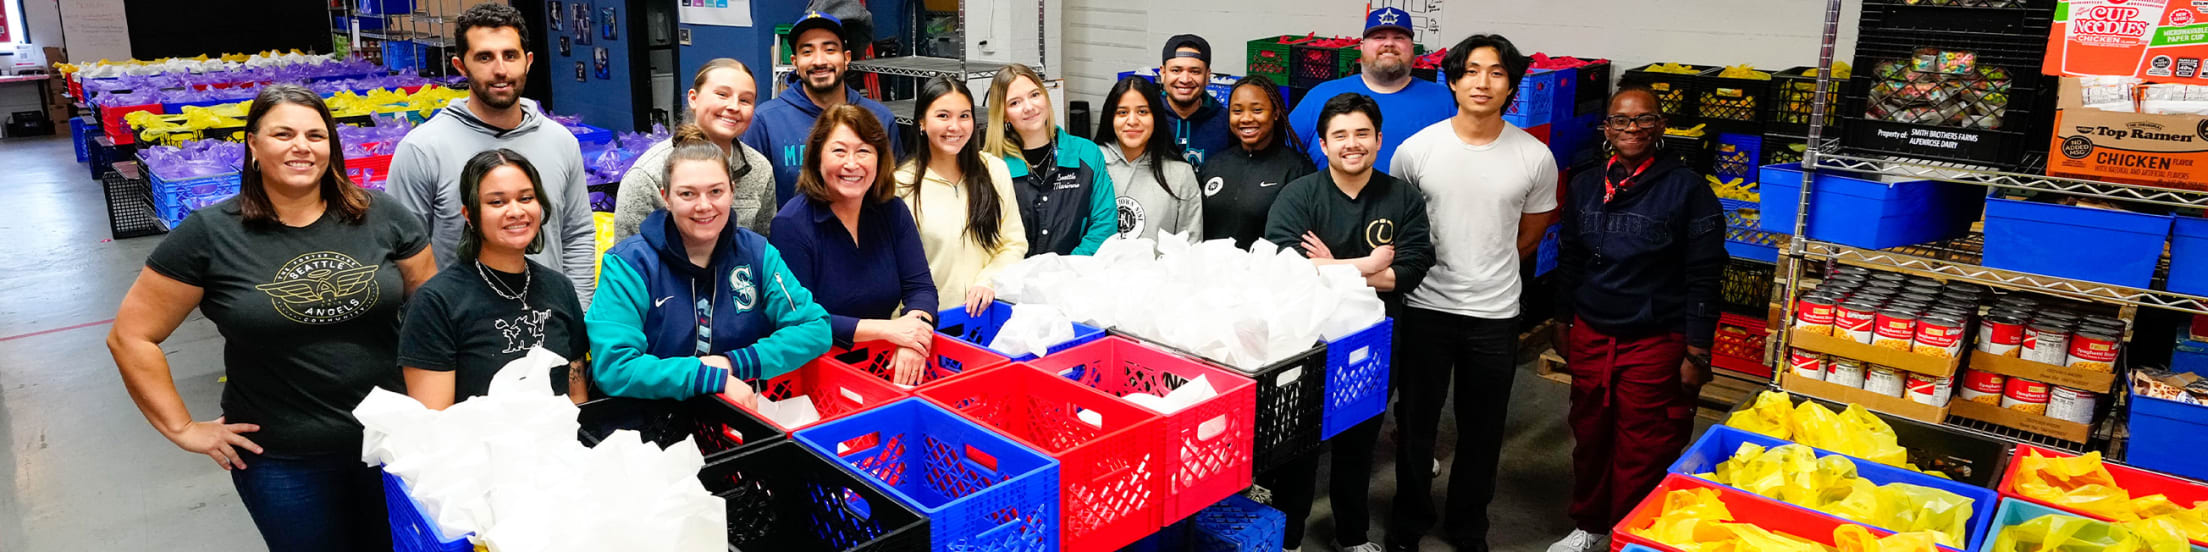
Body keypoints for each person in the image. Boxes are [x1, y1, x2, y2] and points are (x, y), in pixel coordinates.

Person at [107, 84, 437, 550]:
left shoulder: (382, 215)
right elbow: (131, 337)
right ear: (253, 144)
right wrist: (183, 428)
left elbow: (429, 307)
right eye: (283, 133)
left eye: (316, 136)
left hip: (393, 444)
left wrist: (434, 410)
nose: (302, 146)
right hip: (282, 460)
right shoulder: (211, 233)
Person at [1386, 34, 1558, 552]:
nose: (1483, 82)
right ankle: (1408, 521)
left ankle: (1468, 526)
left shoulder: (1534, 156)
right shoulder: (1418, 149)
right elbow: (1401, 228)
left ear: (1511, 86)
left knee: (1483, 430)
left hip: (1495, 314)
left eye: (1497, 72)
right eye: (1472, 71)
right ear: (1453, 80)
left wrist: (1489, 269)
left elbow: (1531, 233)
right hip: (1425, 308)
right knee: (1415, 425)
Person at [1544, 84, 1723, 552]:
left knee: (1645, 446)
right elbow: (1570, 258)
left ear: (1661, 126)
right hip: (1593, 333)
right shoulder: (1586, 182)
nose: (1632, 129)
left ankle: (1635, 538)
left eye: (1644, 119)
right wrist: (1561, 321)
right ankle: (1590, 524)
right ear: (1606, 128)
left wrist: (1697, 349)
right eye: (1621, 120)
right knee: (1590, 435)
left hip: (1655, 338)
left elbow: (1705, 274)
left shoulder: (1687, 189)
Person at [1262, 92, 1434, 552]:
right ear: (1322, 142)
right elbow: (1285, 268)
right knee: (1296, 451)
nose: (1351, 144)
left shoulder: (1402, 197)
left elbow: (1411, 270)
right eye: (1340, 135)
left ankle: (1353, 536)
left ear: (1379, 141)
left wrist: (1331, 266)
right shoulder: (1300, 195)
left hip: (1375, 344)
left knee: (1360, 444)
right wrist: (1367, 264)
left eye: (1362, 134)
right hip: (1305, 343)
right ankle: (1289, 539)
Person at [587, 124, 834, 406]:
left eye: (715, 191)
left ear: (732, 191)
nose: (704, 206)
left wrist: (735, 363)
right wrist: (708, 377)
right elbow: (614, 366)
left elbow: (814, 327)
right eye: (687, 194)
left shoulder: (756, 254)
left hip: (736, 415)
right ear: (666, 198)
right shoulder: (629, 266)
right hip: (648, 422)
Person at [388, 2, 595, 306]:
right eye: (484, 57)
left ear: (528, 61)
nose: (500, 69)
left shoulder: (560, 142)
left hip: (548, 328)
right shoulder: (422, 149)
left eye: (510, 55)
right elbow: (403, 253)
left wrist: (577, 314)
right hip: (462, 334)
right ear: (461, 66)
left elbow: (576, 234)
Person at [400, 150, 592, 409]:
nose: (516, 211)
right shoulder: (436, 302)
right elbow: (433, 423)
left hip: (556, 444)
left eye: (526, 198)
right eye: (497, 202)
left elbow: (576, 397)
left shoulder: (559, 287)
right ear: (469, 216)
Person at [770, 105, 938, 384]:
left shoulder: (891, 210)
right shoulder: (791, 224)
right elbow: (800, 319)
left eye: (863, 151)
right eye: (839, 151)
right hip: (818, 374)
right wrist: (890, 330)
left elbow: (920, 287)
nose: (852, 163)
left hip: (883, 363)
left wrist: (915, 334)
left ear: (879, 159)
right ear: (817, 157)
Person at [895, 76, 1029, 314]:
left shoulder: (994, 170)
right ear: (922, 123)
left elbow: (1013, 242)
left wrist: (988, 280)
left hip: (985, 314)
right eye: (943, 116)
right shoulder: (901, 184)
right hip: (926, 322)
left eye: (964, 116)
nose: (955, 127)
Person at [743, 10, 902, 206]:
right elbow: (753, 204)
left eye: (829, 50)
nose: (819, 61)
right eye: (807, 52)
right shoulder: (765, 122)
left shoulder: (879, 118)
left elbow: (891, 192)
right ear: (795, 62)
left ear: (847, 58)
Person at [613, 58, 778, 242]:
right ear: (693, 98)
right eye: (722, 94)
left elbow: (763, 246)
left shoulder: (759, 168)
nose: (733, 106)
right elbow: (628, 259)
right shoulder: (648, 175)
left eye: (745, 100)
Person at [1286, 6, 1456, 171]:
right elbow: (1281, 156)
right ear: (1361, 47)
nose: (1389, 43)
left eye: (1399, 38)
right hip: (1329, 199)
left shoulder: (1446, 100)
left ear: (1412, 48)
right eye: (1379, 37)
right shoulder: (1320, 96)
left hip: (1416, 199)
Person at [982, 63, 1116, 257]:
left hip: (1077, 278)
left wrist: (1066, 271)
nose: (1029, 107)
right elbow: (988, 238)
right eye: (1015, 103)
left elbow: (1104, 224)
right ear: (1003, 115)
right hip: (1015, 281)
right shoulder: (992, 166)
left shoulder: (1087, 153)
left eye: (1035, 95)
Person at [1198, 76, 1312, 249]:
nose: (1246, 118)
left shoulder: (1298, 171)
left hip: (1266, 273)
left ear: (1275, 113)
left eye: (1257, 110)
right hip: (1212, 272)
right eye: (1237, 111)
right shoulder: (1213, 165)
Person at [1095, 76, 1203, 242]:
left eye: (1142, 112)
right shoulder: (1092, 163)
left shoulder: (1181, 174)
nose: (1132, 121)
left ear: (1156, 117)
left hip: (1160, 268)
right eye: (1122, 112)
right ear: (1110, 117)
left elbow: (1190, 246)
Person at [1157, 34, 1232, 166]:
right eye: (1176, 70)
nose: (1185, 79)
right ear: (1163, 73)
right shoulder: (1148, 117)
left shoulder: (1226, 122)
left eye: (1195, 71)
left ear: (1207, 76)